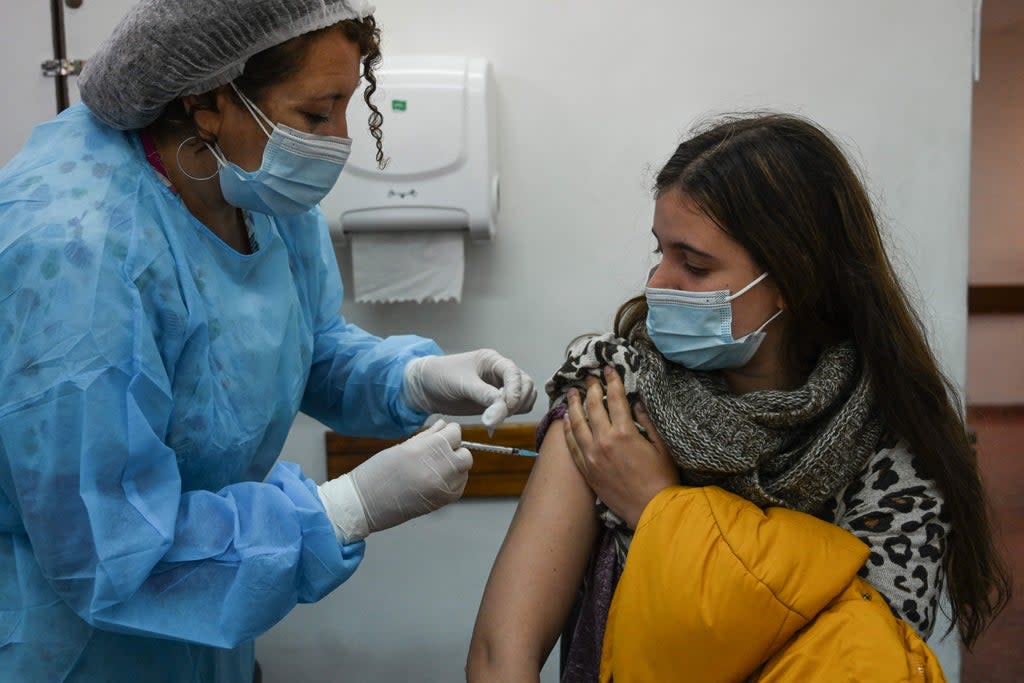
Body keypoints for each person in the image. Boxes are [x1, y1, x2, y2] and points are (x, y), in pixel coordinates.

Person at [0, 1, 537, 681]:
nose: (339, 140)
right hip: (77, 650)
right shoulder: (78, 253)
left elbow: (301, 348)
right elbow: (108, 550)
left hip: (209, 641)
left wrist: (413, 377)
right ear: (207, 101)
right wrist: (341, 508)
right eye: (316, 114)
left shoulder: (251, 189)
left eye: (348, 104)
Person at [466, 113, 1010, 682]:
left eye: (695, 265)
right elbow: (500, 655)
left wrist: (661, 511)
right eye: (662, 253)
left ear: (794, 278)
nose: (658, 284)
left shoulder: (896, 441)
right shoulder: (617, 390)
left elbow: (855, 658)